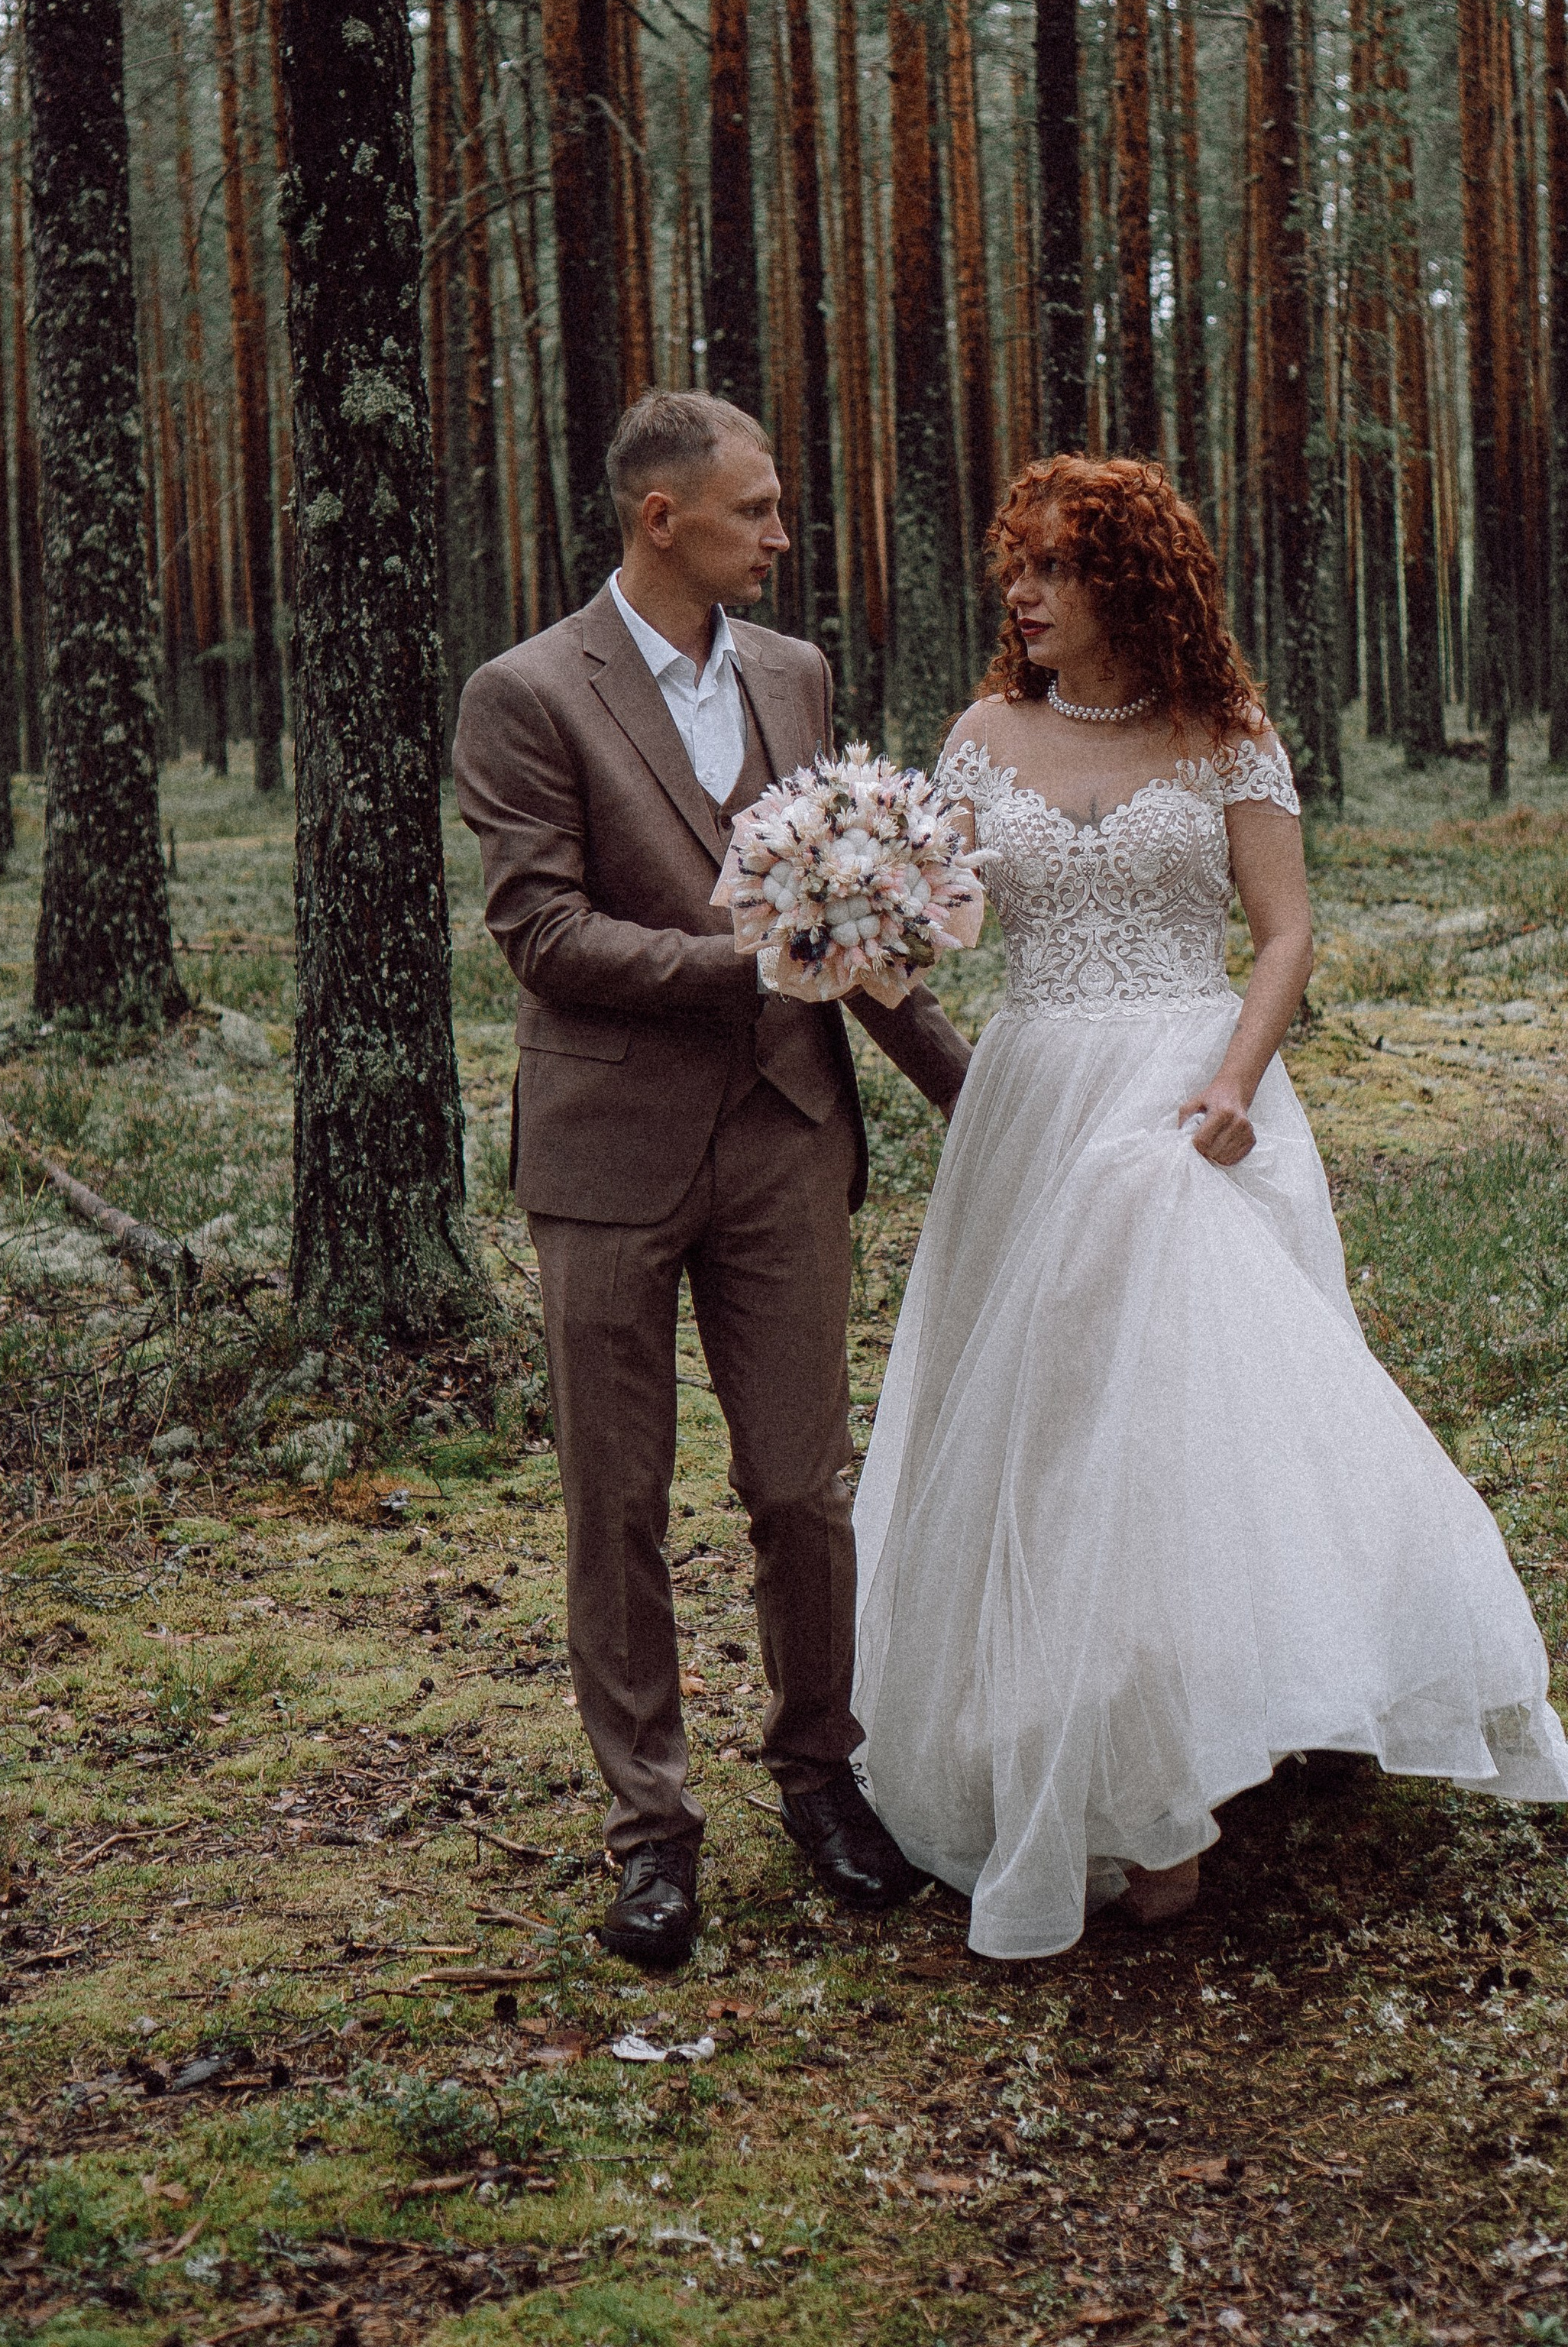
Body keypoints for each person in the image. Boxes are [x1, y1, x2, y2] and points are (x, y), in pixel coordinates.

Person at [852, 455, 1568, 1961]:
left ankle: (1185, 1763)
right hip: (1034, 1101)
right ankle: (1072, 1748)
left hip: (1193, 1096)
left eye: (1053, 566)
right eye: (1015, 565)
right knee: (1049, 1430)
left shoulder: (1223, 733)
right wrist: (843, 918)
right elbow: (931, 929)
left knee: (1192, 1427)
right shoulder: (979, 737)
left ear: (1132, 579)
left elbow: (1284, 928)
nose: (1021, 592)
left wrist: (1234, 1082)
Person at [454, 392, 970, 1970]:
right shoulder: (525, 692)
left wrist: (976, 1092)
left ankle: (820, 1777)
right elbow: (538, 933)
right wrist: (745, 963)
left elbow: (855, 918)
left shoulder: (793, 675)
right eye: (755, 510)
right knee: (614, 1504)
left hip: (784, 1137)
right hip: (608, 1156)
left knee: (802, 1491)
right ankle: (650, 1835)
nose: (780, 534)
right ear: (660, 519)